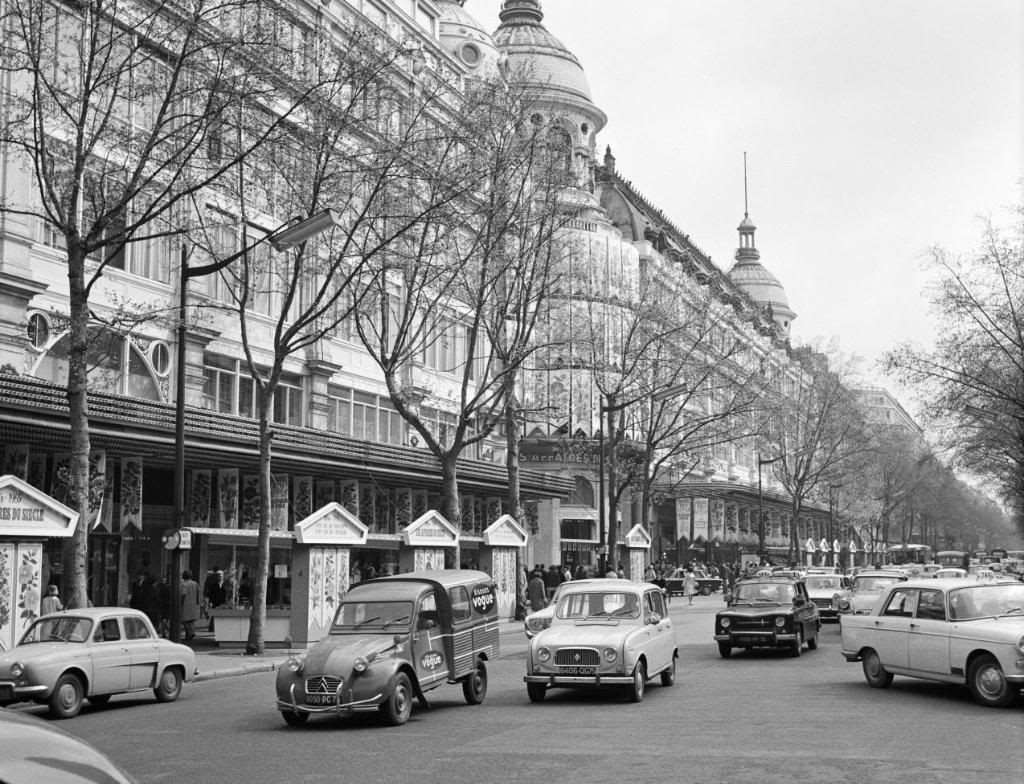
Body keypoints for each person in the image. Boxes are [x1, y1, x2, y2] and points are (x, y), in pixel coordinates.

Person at [180, 570, 201, 641]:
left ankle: (190, 633)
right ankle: (189, 634)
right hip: (193, 603)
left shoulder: (183, 584)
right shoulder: (195, 583)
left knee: (184, 620)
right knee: (191, 620)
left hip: (185, 604)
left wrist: (180, 602)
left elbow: (183, 594)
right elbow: (198, 593)